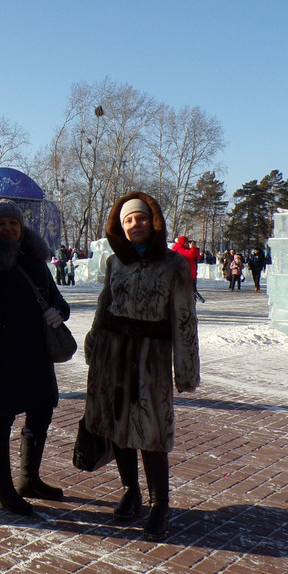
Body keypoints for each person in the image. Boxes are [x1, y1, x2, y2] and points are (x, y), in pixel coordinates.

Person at [82, 193, 199, 541]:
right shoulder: (115, 262)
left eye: (142, 218)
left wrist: (186, 369)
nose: (136, 225)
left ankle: (160, 503)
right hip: (112, 354)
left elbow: (184, 319)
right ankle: (130, 489)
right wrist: (93, 341)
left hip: (151, 357)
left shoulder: (173, 265)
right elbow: (105, 305)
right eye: (128, 220)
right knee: (117, 425)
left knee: (152, 432)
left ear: (154, 221)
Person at [0, 200, 69, 515]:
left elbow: (56, 296)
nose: (8, 228)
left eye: (13, 223)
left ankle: (28, 478)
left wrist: (58, 311)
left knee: (41, 412)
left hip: (36, 353)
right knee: (0, 421)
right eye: (1, 224)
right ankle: (5, 491)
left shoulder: (34, 257)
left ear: (21, 227)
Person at [171, 236, 205, 303]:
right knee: (188, 293)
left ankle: (191, 304)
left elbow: (197, 257)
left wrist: (195, 248)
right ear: (182, 243)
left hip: (191, 274)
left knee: (191, 293)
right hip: (185, 275)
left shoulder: (186, 249)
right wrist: (193, 248)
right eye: (186, 242)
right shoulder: (179, 249)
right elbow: (190, 254)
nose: (188, 244)